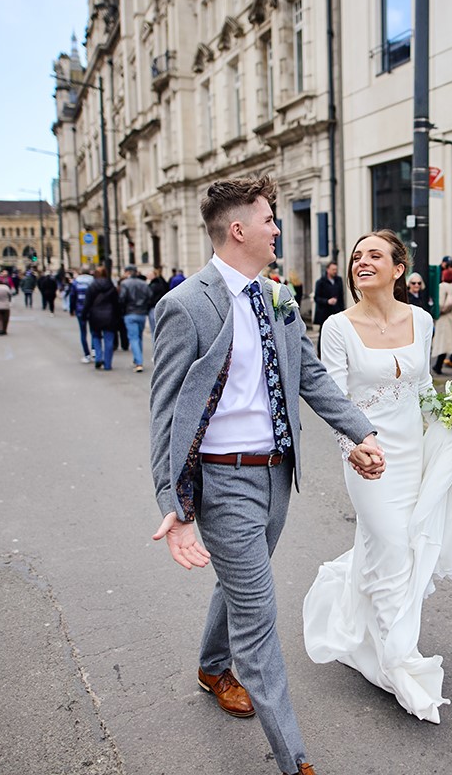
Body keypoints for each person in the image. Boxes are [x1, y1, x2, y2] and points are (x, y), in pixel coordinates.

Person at [148, 176, 384, 775]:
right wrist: (174, 503)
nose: (277, 228)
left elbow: (311, 377)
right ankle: (294, 759)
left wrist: (361, 430)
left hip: (277, 478)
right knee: (259, 616)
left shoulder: (277, 297)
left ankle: (209, 665)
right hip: (223, 484)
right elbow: (165, 414)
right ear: (238, 230)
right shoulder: (186, 306)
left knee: (239, 583)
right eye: (269, 220)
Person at [303, 229, 452, 725]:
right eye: (356, 255)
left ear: (399, 269)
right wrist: (354, 447)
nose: (361, 261)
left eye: (374, 255)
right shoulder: (337, 326)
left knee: (407, 543)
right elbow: (333, 399)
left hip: (415, 451)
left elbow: (423, 386)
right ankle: (397, 660)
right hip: (369, 456)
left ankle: (375, 636)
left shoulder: (421, 319)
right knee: (393, 545)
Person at [81, 266, 119, 371]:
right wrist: (118, 316)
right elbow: (116, 303)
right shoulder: (111, 286)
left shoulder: (92, 286)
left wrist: (84, 316)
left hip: (95, 315)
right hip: (110, 316)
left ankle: (98, 357)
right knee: (109, 340)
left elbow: (87, 303)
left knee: (96, 337)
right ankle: (107, 363)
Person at [431, 267, 452, 375]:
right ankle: (438, 366)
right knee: (448, 344)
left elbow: (440, 304)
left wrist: (435, 311)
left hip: (445, 321)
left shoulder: (442, 287)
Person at [118, 265, 151, 372]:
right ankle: (137, 358)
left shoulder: (125, 284)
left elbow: (122, 299)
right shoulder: (143, 284)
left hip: (130, 312)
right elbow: (149, 296)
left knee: (134, 338)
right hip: (141, 312)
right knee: (138, 337)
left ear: (127, 272)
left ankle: (138, 362)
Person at [70, 267, 95, 362]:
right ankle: (94, 350)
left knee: (83, 332)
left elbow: (72, 296)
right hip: (92, 310)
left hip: (80, 309)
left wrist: (72, 309)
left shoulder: (76, 282)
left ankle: (87, 354)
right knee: (93, 331)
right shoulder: (93, 282)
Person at [312, 261, 344, 326]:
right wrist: (327, 301)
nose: (335, 271)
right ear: (328, 270)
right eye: (333, 269)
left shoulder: (339, 280)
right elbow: (316, 298)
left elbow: (341, 296)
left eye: (336, 270)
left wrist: (342, 310)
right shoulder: (320, 282)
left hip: (336, 311)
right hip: (324, 313)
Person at [147, 266, 169, 334]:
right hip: (160, 306)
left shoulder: (153, 285)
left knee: (154, 330)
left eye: (150, 275)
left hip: (154, 307)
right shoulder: (162, 282)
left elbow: (150, 297)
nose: (148, 276)